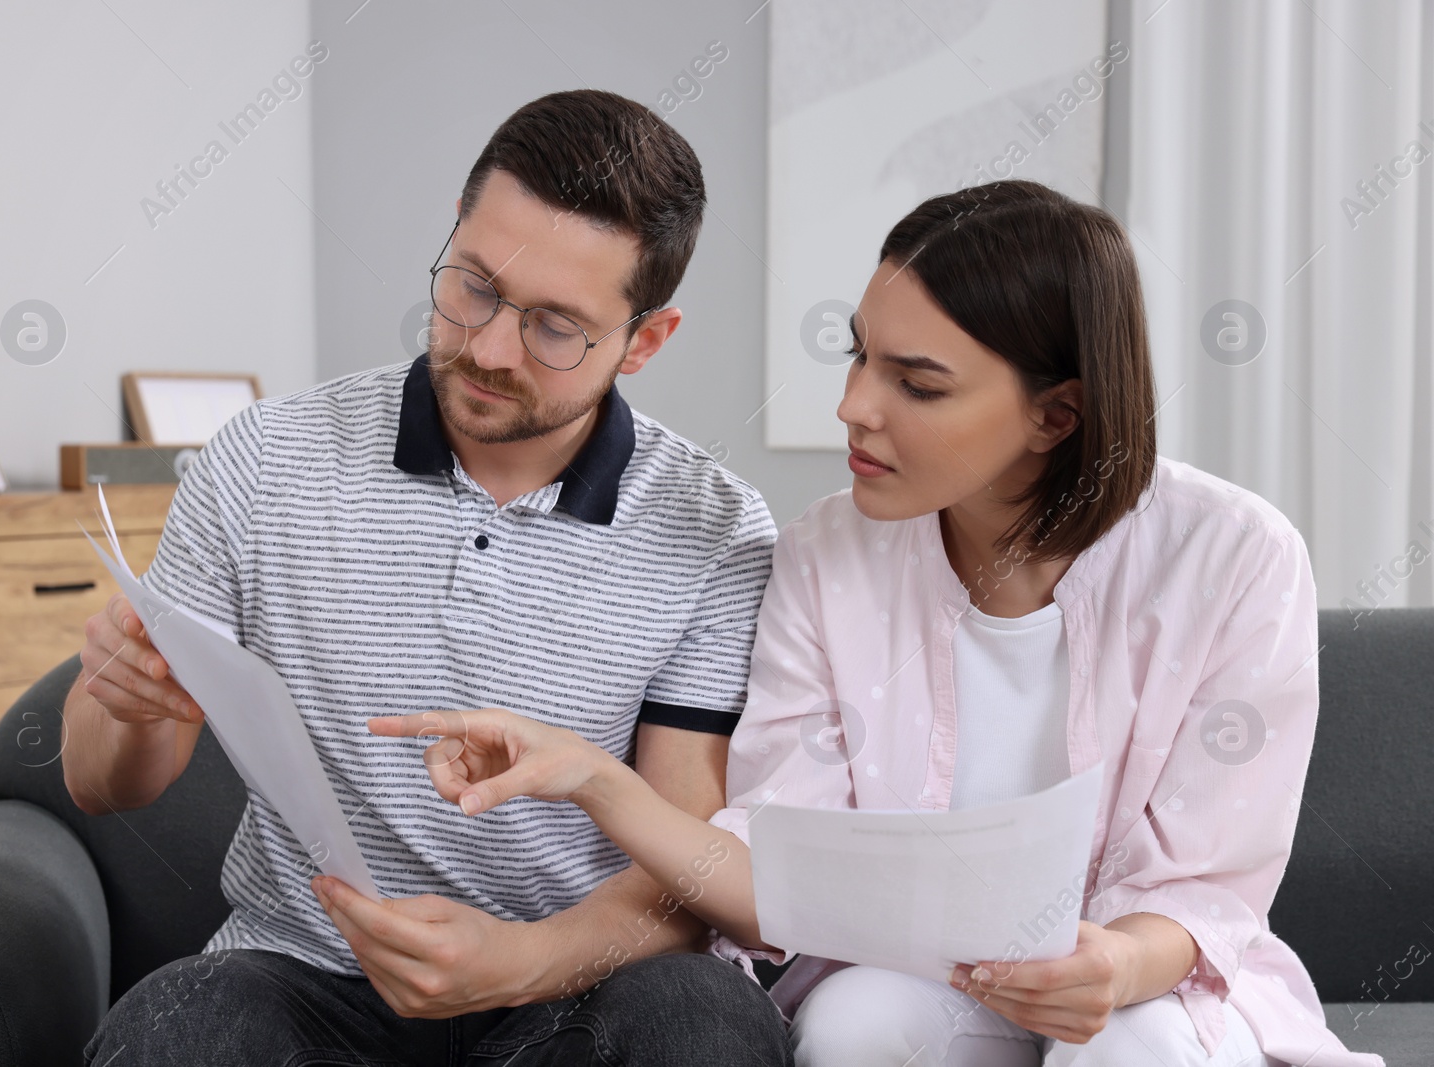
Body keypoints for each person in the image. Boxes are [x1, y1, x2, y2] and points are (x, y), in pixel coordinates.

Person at [369, 181, 1384, 1066]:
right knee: (856, 1022)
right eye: (860, 357)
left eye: (916, 382)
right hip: (923, 977)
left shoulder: (1234, 556)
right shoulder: (824, 553)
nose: (853, 406)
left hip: (1143, 981)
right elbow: (782, 869)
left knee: (1138, 1041)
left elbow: (1204, 886)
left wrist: (1113, 963)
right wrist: (593, 775)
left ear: (1055, 416)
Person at [69, 88, 792, 1066]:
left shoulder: (716, 527)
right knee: (177, 1026)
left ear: (645, 339)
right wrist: (125, 701)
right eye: (474, 286)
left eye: (555, 327)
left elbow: (684, 868)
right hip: (306, 977)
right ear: (452, 235)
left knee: (704, 1023)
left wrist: (518, 960)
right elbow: (104, 782)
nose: (489, 348)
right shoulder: (261, 457)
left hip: (574, 985)